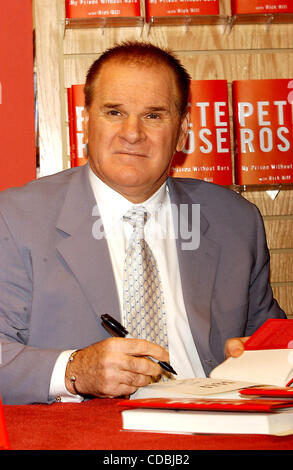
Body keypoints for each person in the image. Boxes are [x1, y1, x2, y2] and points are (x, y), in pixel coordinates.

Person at [0, 41, 286, 405]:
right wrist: (73, 371)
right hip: (87, 436)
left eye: (154, 115)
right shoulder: (14, 218)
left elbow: (272, 341)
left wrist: (261, 358)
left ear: (183, 131)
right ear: (85, 122)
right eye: (114, 112)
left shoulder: (235, 220)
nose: (132, 133)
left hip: (216, 423)